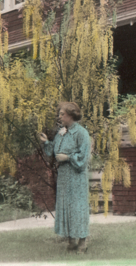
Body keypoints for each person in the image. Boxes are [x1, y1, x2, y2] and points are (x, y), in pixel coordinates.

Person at [40, 102, 91, 254]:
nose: (60, 117)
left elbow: (83, 157)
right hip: (63, 177)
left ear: (71, 115)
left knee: (77, 208)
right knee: (66, 207)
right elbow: (53, 152)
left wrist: (68, 157)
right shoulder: (61, 132)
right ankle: (71, 241)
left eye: (62, 114)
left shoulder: (81, 133)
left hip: (76, 177)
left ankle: (83, 241)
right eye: (60, 114)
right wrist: (46, 143)